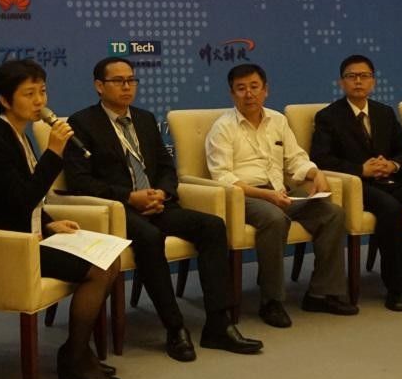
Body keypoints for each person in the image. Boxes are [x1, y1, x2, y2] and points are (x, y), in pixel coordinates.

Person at [63, 57, 263, 360]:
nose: (127, 86)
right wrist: (130, 197)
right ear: (99, 86)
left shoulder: (144, 119)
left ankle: (218, 324)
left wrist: (163, 192)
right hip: (119, 210)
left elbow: (167, 166)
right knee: (150, 237)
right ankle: (175, 328)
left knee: (212, 226)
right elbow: (80, 181)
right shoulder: (82, 124)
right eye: (118, 81)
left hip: (158, 203)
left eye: (131, 80)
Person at [0, 59, 122, 379]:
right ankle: (74, 357)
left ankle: (77, 352)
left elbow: (23, 197)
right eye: (29, 94)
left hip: (29, 235)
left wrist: (50, 223)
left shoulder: (16, 135)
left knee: (111, 257)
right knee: (100, 269)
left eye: (43, 91)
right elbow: (22, 199)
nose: (40, 101)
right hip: (7, 246)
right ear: (5, 100)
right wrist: (54, 153)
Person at [204, 63, 358, 328]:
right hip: (244, 196)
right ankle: (271, 301)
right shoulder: (223, 128)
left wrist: (315, 173)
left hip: (280, 191)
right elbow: (223, 178)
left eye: (254, 87)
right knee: (275, 219)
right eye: (241, 89)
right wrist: (266, 196)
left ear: (266, 90)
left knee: (332, 213)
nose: (249, 94)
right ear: (232, 94)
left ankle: (321, 294)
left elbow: (295, 159)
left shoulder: (278, 120)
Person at [311, 54, 402, 312]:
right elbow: (321, 158)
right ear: (341, 83)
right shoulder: (328, 116)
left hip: (393, 179)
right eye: (351, 76)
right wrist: (361, 169)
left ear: (373, 81)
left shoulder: (384, 112)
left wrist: (393, 164)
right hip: (359, 187)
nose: (358, 81)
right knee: (390, 210)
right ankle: (395, 288)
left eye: (364, 76)